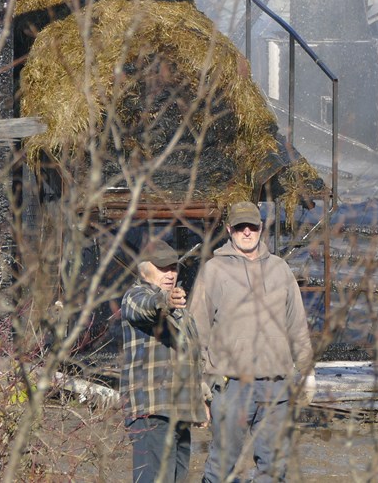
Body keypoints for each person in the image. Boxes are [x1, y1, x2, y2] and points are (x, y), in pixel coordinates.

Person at [190, 201, 314, 483]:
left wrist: (307, 373)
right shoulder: (214, 270)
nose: (247, 232)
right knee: (222, 466)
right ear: (229, 229)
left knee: (274, 467)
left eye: (252, 226)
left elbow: (297, 325)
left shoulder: (280, 269)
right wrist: (198, 381)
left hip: (276, 385)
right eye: (240, 227)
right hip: (231, 385)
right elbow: (197, 330)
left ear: (261, 228)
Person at [120, 239, 207, 483]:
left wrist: (202, 398)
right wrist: (165, 301)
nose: (170, 274)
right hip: (152, 412)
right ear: (143, 269)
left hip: (180, 411)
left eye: (173, 267)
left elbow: (192, 357)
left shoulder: (181, 310)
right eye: (162, 268)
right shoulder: (134, 296)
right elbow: (147, 307)